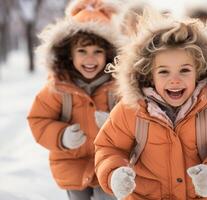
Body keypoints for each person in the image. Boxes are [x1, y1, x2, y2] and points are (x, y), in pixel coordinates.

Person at [94, 9, 207, 200]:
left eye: (184, 70)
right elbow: (109, 147)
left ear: (199, 73)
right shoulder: (130, 111)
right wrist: (114, 173)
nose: (174, 80)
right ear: (149, 75)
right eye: (164, 72)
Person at [27, 0, 122, 199]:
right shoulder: (58, 88)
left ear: (109, 54)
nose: (90, 59)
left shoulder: (119, 87)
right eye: (82, 52)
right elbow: (38, 119)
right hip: (72, 163)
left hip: (111, 162)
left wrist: (115, 126)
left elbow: (137, 119)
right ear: (70, 54)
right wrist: (61, 136)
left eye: (98, 52)